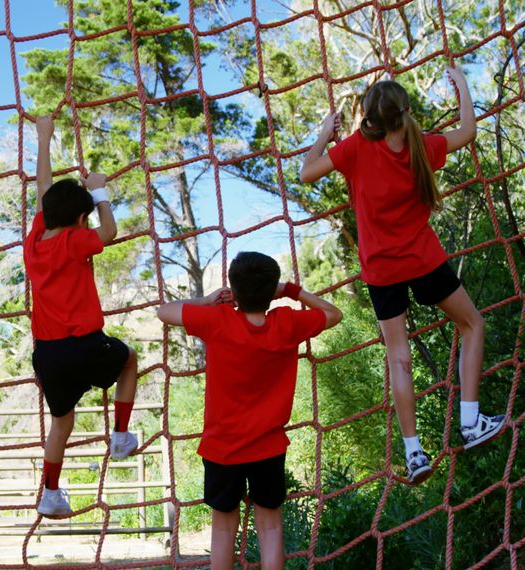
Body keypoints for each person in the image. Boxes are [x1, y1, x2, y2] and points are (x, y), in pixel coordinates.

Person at [299, 68, 506, 484]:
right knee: (471, 324)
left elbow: (306, 172)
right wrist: (462, 86)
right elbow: (467, 131)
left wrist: (325, 132)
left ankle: (414, 453)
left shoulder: (355, 147)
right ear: (405, 114)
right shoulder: (421, 146)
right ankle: (470, 421)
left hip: (381, 270)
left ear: (368, 120)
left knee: (399, 357)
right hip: (423, 261)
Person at [156, 251, 342, 570]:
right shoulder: (288, 324)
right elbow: (333, 312)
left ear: (234, 289)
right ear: (271, 291)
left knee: (223, 530)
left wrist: (210, 299)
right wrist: (291, 290)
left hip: (221, 448)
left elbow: (164, 311)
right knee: (270, 528)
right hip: (268, 447)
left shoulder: (217, 320)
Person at [26, 116, 140, 518]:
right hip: (86, 345)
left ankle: (50, 494)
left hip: (48, 355)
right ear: (79, 220)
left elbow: (44, 188)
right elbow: (108, 231)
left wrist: (44, 138)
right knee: (129, 359)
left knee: (62, 424)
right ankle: (121, 436)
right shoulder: (76, 242)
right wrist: (100, 191)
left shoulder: (36, 239)